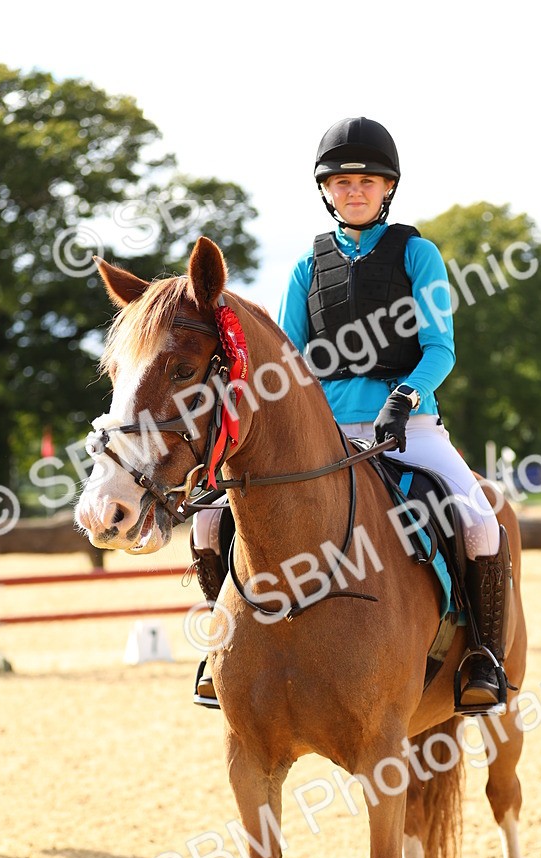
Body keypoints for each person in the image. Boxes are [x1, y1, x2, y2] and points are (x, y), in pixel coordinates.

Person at [192, 116, 510, 711]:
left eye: (367, 181)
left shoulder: (418, 254)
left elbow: (440, 348)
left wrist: (405, 398)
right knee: (209, 523)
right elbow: (284, 363)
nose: (354, 191)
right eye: (341, 183)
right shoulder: (305, 269)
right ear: (326, 191)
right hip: (325, 435)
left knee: (478, 523)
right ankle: (222, 646)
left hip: (407, 427)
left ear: (388, 187)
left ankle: (482, 656)